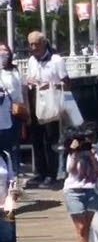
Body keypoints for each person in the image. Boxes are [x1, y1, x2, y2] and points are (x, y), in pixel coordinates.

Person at [24, 31, 69, 188]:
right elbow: (30, 79)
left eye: (36, 44)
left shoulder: (56, 60)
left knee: (51, 141)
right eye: (31, 44)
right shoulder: (31, 60)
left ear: (44, 43)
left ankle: (52, 174)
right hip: (35, 102)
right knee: (36, 140)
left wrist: (50, 85)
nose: (34, 47)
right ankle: (40, 173)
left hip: (51, 103)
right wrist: (29, 81)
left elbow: (67, 83)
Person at [62, 125, 98, 242]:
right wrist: (75, 152)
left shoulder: (94, 152)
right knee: (81, 227)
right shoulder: (72, 154)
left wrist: (92, 156)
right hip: (73, 192)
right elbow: (72, 170)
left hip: (91, 191)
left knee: (85, 227)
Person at [0, 43, 24, 175]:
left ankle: (15, 171)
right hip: (1, 112)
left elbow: (19, 90)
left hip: (14, 109)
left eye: (5, 51)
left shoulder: (14, 70)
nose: (3, 53)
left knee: (14, 143)